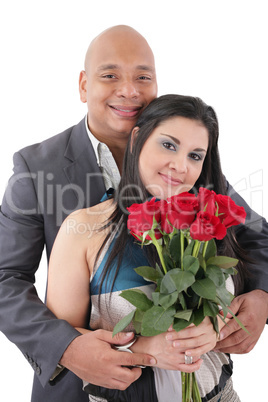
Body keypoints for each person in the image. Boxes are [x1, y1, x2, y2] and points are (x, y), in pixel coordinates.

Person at [0, 25, 267, 402]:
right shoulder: (37, 168)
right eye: (110, 75)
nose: (129, 90)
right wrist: (66, 347)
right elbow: (5, 277)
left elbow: (254, 235)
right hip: (89, 385)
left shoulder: (185, 163)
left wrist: (262, 297)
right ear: (83, 86)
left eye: (143, 77)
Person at [47, 94, 244, 401]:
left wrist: (215, 325)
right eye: (168, 144)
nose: (180, 166)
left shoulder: (207, 220)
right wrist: (144, 348)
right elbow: (62, 340)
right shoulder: (83, 229)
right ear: (138, 137)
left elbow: (230, 298)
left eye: (195, 155)